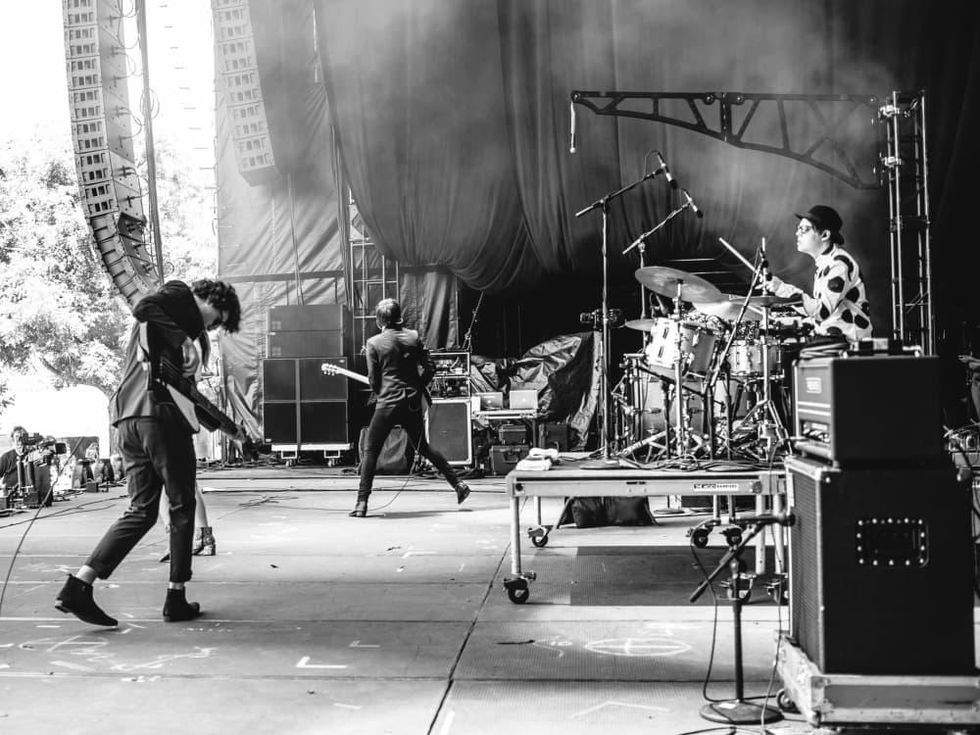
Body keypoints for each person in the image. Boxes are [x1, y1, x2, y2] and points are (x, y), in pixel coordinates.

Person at [55, 279, 241, 626]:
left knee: (141, 511)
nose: (212, 328)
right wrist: (186, 341)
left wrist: (229, 428)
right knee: (182, 504)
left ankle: (79, 585)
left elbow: (183, 393)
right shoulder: (178, 296)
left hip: (128, 420)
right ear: (213, 300)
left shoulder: (168, 332)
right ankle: (176, 596)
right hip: (159, 420)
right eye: (217, 320)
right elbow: (143, 305)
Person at [351, 298, 470, 517]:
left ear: (379, 321)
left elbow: (373, 379)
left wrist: (381, 392)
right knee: (423, 447)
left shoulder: (373, 343)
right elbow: (430, 368)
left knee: (371, 451)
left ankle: (361, 503)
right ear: (400, 316)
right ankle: (458, 484)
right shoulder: (413, 337)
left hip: (387, 403)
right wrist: (417, 387)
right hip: (411, 404)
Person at [765, 205, 872, 343]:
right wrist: (785, 323)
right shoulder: (826, 262)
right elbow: (824, 315)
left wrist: (781, 288)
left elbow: (822, 311)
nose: (797, 233)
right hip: (835, 340)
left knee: (800, 353)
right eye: (798, 228)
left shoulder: (839, 264)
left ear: (825, 235)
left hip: (850, 344)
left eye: (804, 229)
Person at [0, 426, 29, 494]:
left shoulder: (32, 455)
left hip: (28, 493)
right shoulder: (6, 457)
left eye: (22, 437)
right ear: (13, 439)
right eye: (16, 437)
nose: (19, 440)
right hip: (10, 494)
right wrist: (2, 487)